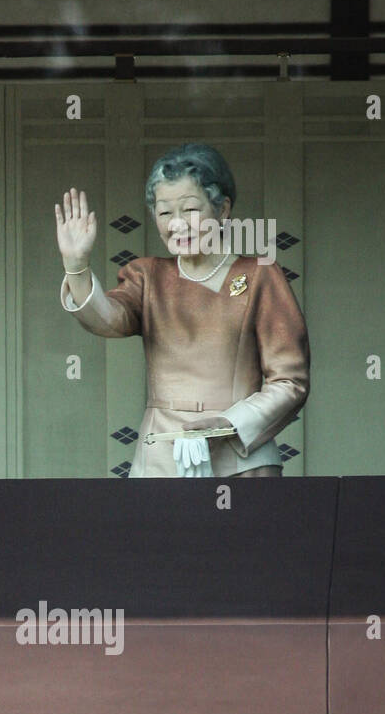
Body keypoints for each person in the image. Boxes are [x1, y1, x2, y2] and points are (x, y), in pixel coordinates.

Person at [55, 143, 309, 477]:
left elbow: (290, 381)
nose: (177, 224)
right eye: (164, 213)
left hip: (241, 458)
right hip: (161, 456)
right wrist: (76, 267)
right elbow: (107, 319)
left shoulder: (260, 275)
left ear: (222, 209)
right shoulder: (148, 277)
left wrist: (228, 424)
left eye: (189, 210)